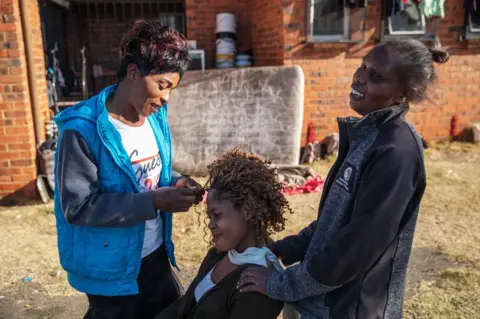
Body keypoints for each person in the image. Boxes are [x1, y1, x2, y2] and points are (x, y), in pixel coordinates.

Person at [237, 39, 450, 318]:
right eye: (363, 66)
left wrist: (280, 284)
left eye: (376, 76)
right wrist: (280, 249)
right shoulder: (367, 136)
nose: (360, 77)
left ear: (404, 94)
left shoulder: (395, 152)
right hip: (318, 301)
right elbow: (333, 222)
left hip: (348, 309)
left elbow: (356, 247)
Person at [53, 20, 205, 319]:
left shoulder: (153, 118)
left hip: (156, 256)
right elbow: (79, 207)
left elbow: (149, 176)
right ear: (134, 72)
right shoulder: (83, 131)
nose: (166, 98)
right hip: (110, 270)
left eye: (172, 89)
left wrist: (176, 183)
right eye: (162, 85)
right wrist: (153, 202)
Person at [155, 149, 288, 319]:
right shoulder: (218, 254)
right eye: (209, 216)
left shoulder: (257, 284)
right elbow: (185, 305)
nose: (210, 225)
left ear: (247, 210)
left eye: (217, 215)